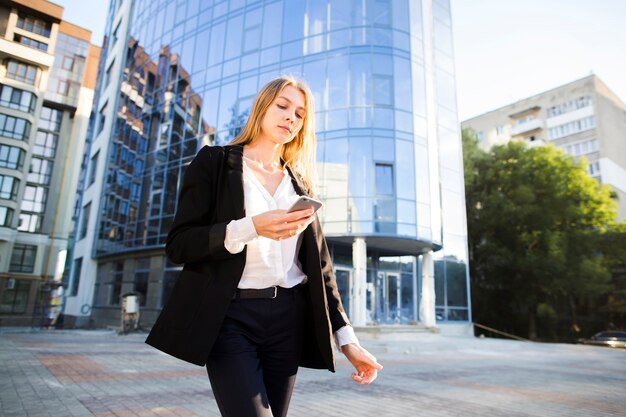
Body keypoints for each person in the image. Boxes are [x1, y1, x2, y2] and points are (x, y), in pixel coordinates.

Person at [146, 76, 383, 417]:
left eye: (300, 114)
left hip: (289, 320)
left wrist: (349, 342)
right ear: (262, 107)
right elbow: (180, 244)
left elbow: (320, 269)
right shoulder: (215, 163)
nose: (291, 117)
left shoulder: (298, 183)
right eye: (283, 106)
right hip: (230, 318)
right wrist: (251, 227)